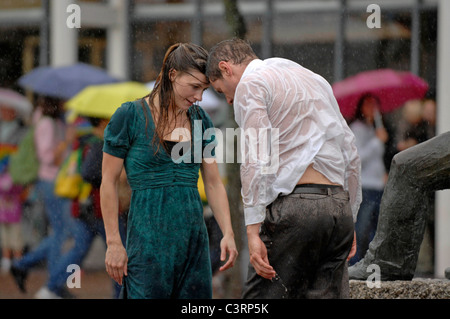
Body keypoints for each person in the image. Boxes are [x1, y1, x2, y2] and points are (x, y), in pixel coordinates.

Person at [206, 38, 361, 299]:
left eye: (222, 91)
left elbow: (256, 157)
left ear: (226, 68)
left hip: (298, 209)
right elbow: (349, 149)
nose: (229, 101)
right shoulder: (312, 78)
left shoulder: (250, 84)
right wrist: (350, 214)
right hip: (337, 208)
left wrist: (252, 231)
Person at [101, 43, 238, 299]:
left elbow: (214, 183)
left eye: (205, 89)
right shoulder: (129, 116)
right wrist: (113, 243)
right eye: (195, 86)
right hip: (147, 242)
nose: (199, 97)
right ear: (172, 74)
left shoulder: (201, 120)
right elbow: (107, 182)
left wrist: (227, 232)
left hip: (193, 244)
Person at [33, 116, 127, 299]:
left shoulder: (87, 140)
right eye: (108, 119)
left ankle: (50, 287)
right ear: (100, 122)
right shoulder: (99, 143)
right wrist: (111, 176)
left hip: (87, 208)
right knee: (119, 250)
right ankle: (120, 294)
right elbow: (89, 173)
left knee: (79, 249)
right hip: (99, 208)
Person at [10, 96, 74, 295]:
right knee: (61, 232)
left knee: (61, 232)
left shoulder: (56, 122)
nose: (66, 104)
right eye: (63, 101)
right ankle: (45, 277)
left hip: (57, 182)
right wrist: (66, 143)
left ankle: (50, 279)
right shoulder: (46, 123)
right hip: (50, 182)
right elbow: (47, 157)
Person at [348, 94, 388, 265]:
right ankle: (355, 263)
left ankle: (371, 264)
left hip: (378, 185)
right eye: (368, 105)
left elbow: (377, 160)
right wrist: (377, 142)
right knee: (362, 228)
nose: (372, 109)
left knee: (376, 229)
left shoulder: (375, 128)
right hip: (366, 185)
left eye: (375, 105)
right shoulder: (357, 128)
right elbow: (358, 157)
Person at [0, 102, 29, 273]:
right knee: (3, 224)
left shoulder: (22, 131)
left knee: (15, 225)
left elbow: (21, 154)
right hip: (3, 183)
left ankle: (17, 259)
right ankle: (6, 257)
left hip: (13, 180)